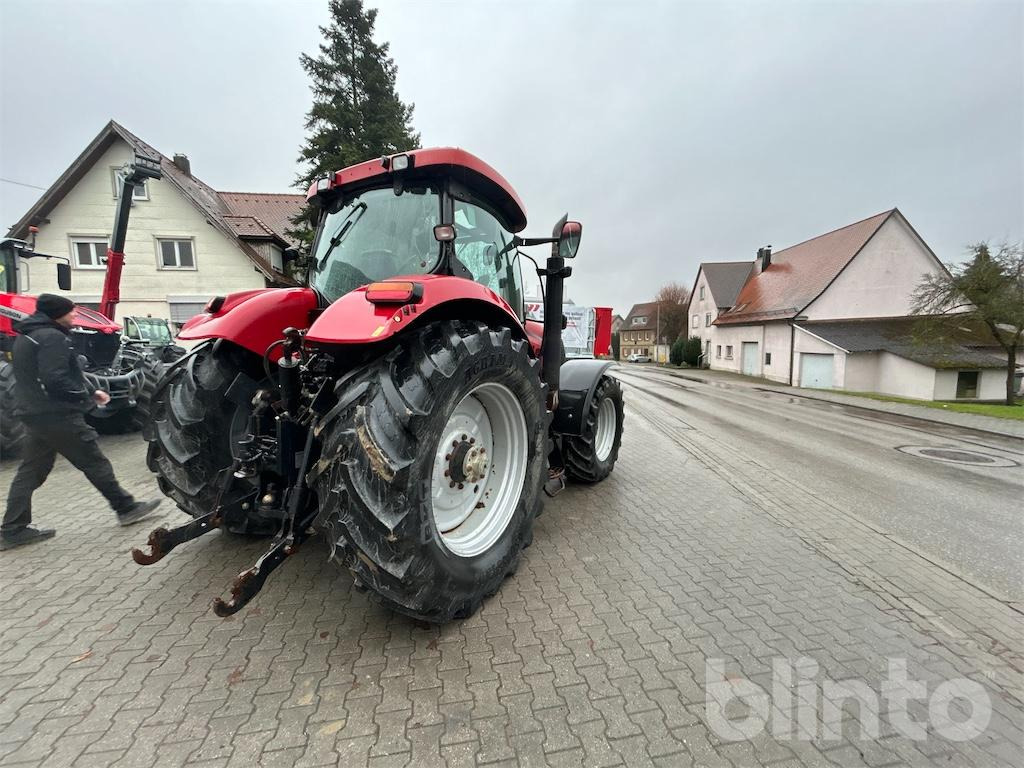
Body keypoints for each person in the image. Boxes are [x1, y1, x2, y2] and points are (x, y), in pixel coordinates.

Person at [1, 294, 161, 550]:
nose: (74, 316)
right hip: (58, 414)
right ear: (57, 314)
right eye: (71, 312)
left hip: (34, 414)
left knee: (30, 471)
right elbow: (55, 379)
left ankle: (13, 529)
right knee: (93, 461)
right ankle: (126, 507)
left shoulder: (25, 336)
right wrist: (86, 396)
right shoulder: (51, 337)